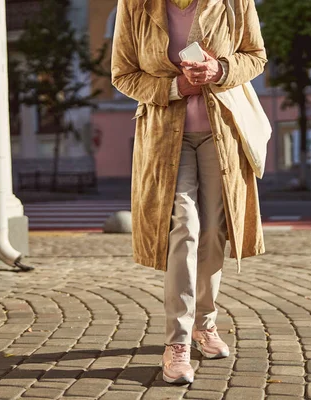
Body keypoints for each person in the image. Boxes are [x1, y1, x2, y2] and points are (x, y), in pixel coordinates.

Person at [111, 0, 267, 385]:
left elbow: (256, 56)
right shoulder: (135, 6)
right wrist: (173, 87)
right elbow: (122, 74)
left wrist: (221, 69)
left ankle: (204, 324)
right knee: (185, 227)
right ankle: (177, 344)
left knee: (215, 230)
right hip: (166, 137)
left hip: (222, 132)